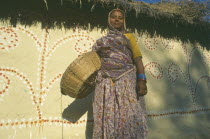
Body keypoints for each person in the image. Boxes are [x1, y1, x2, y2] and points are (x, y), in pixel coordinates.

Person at [91, 8, 148, 139]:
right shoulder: (103, 40)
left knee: (129, 112)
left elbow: (137, 59)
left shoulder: (129, 37)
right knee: (108, 113)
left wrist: (141, 79)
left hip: (126, 79)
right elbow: (95, 60)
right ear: (108, 20)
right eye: (113, 17)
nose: (116, 19)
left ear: (124, 21)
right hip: (106, 82)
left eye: (120, 17)